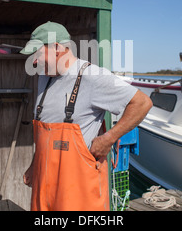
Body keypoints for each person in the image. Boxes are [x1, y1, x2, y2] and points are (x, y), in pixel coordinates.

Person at [20, 21, 152, 211]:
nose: (34, 61)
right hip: (44, 190)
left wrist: (108, 138)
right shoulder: (44, 79)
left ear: (57, 48)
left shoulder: (93, 76)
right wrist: (35, 165)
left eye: (38, 54)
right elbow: (46, 132)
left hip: (78, 195)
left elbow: (141, 103)